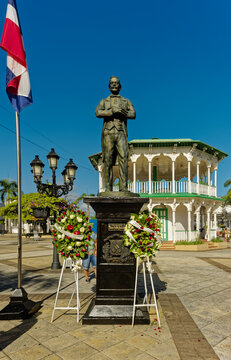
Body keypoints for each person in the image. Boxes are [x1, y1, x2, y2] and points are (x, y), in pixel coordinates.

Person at [95, 76, 136, 192]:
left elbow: (133, 114)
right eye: (112, 83)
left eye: (116, 83)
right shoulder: (104, 101)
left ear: (120, 86)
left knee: (124, 158)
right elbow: (97, 112)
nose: (114, 85)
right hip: (108, 132)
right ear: (108, 86)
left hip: (121, 132)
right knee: (108, 159)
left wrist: (123, 113)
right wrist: (111, 112)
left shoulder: (126, 101)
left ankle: (123, 187)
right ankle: (108, 187)